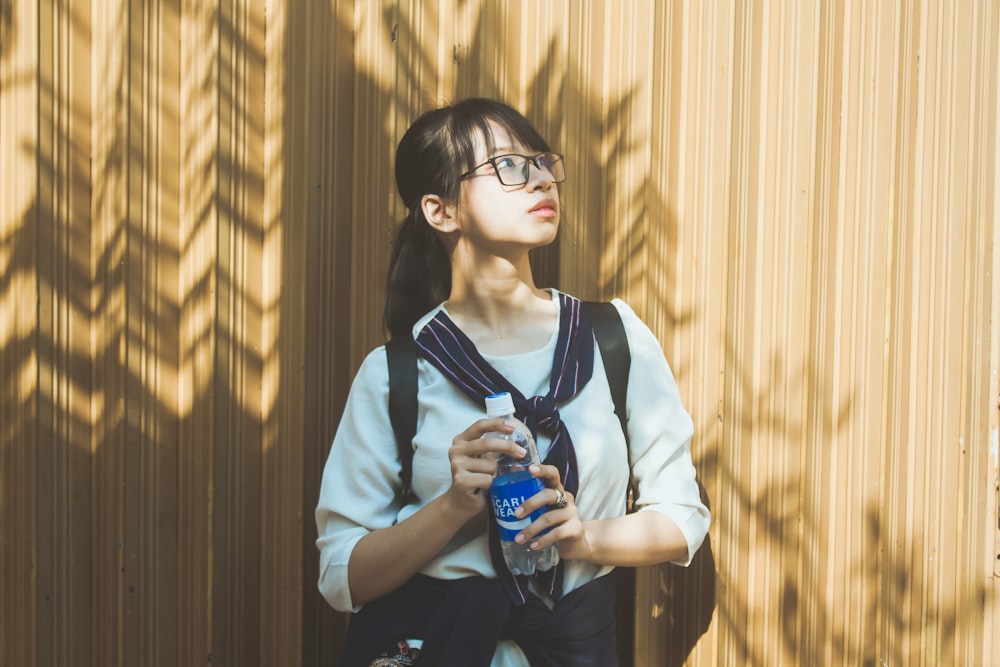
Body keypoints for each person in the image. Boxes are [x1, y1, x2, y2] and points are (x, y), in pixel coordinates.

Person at [316, 97, 710, 666]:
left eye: (543, 162)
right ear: (440, 210)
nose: (541, 179)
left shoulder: (612, 338)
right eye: (508, 166)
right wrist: (453, 506)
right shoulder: (398, 372)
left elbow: (681, 519)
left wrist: (583, 537)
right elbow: (340, 576)